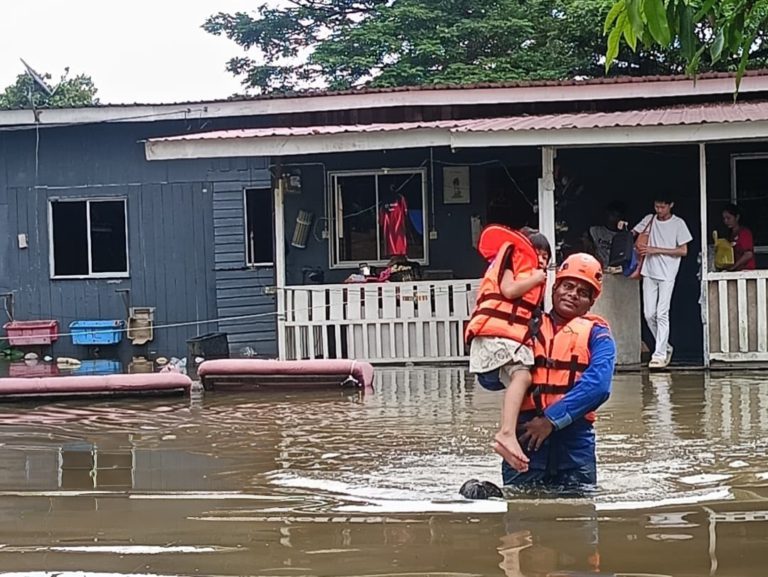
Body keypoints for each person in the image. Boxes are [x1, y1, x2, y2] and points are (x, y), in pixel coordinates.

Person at [462, 253, 616, 494]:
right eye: (568, 286)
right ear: (554, 289)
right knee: (520, 509)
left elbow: (598, 386)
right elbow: (490, 382)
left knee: (580, 509)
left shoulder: (598, 335)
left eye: (583, 292)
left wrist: (550, 421)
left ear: (591, 302)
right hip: (524, 437)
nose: (573, 294)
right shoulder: (525, 326)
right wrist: (489, 353)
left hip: (574, 440)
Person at [465, 225, 551, 470]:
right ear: (527, 250)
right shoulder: (514, 259)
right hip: (496, 334)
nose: (542, 260)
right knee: (522, 376)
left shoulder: (527, 270)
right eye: (539, 253)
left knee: (522, 379)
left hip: (505, 336)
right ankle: (506, 433)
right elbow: (509, 290)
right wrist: (535, 278)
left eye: (546, 256)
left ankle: (509, 438)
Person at [632, 197, 693, 369]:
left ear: (671, 205)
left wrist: (655, 250)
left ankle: (659, 355)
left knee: (662, 313)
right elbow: (633, 233)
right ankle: (665, 346)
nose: (659, 210)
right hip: (649, 271)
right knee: (649, 314)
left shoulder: (678, 223)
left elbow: (683, 250)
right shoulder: (649, 219)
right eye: (656, 206)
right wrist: (623, 227)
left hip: (667, 273)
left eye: (662, 207)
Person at [587, 202, 626, 267]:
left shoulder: (622, 236)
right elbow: (585, 244)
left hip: (615, 270)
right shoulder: (595, 230)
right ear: (607, 213)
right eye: (613, 215)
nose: (614, 218)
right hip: (597, 266)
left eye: (618, 216)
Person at [722, 204, 755, 271]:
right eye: (724, 219)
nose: (726, 221)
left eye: (728, 218)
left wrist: (734, 267)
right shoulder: (730, 235)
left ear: (737, 217)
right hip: (736, 272)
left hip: (746, 272)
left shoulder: (744, 233)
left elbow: (748, 254)